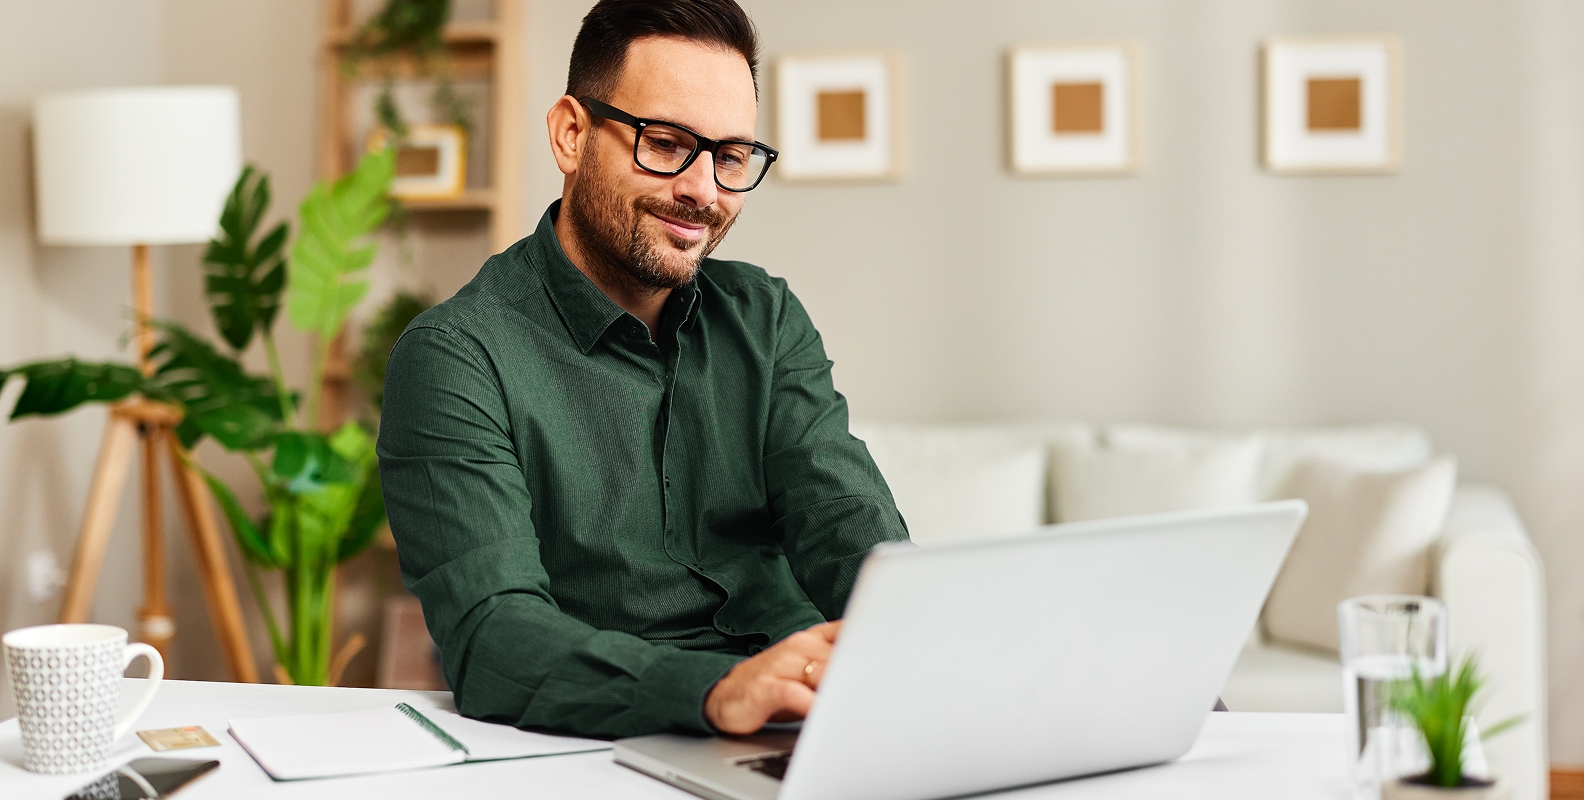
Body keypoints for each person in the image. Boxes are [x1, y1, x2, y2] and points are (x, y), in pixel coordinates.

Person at [377, 0, 910, 740]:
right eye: (665, 143)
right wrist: (719, 689)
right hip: (616, 741)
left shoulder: (766, 317)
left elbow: (848, 529)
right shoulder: (455, 358)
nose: (704, 190)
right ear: (571, 134)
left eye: (729, 156)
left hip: (807, 724)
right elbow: (493, 637)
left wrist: (924, 644)